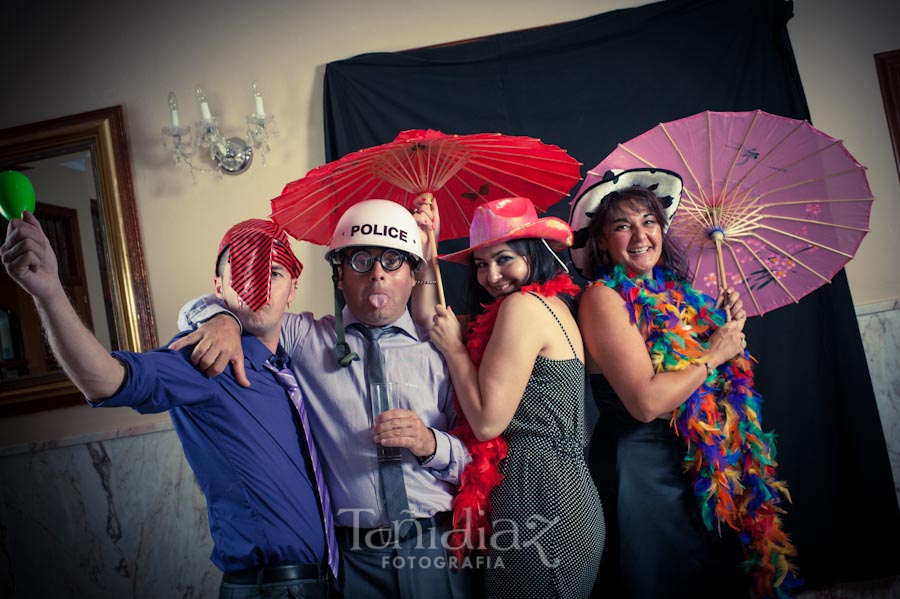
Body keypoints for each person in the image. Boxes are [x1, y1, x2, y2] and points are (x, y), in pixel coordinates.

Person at [1, 213, 334, 599]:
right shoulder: (208, 360)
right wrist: (49, 292)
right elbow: (105, 380)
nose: (259, 286)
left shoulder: (294, 367)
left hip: (321, 583)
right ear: (219, 287)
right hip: (271, 589)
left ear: (292, 290)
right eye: (243, 271)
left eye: (274, 273)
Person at [171, 199, 474, 599]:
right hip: (354, 559)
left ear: (413, 274)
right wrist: (222, 320)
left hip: (434, 546)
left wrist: (430, 443)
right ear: (340, 276)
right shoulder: (303, 338)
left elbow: (476, 455)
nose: (378, 275)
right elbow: (226, 305)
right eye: (362, 261)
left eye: (392, 262)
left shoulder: (442, 346)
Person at [568, 168, 800, 599]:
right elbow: (646, 403)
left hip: (693, 463)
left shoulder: (674, 294)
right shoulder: (602, 298)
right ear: (601, 241)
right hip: (641, 474)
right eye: (622, 226)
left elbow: (697, 379)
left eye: (649, 221)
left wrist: (720, 322)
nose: (640, 235)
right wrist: (713, 352)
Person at [424, 196, 604, 599]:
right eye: (482, 264)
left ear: (533, 254)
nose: (491, 275)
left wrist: (455, 352)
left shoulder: (522, 308)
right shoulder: (549, 304)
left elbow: (488, 422)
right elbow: (428, 319)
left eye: (504, 259)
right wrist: (425, 246)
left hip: (540, 497)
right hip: (560, 490)